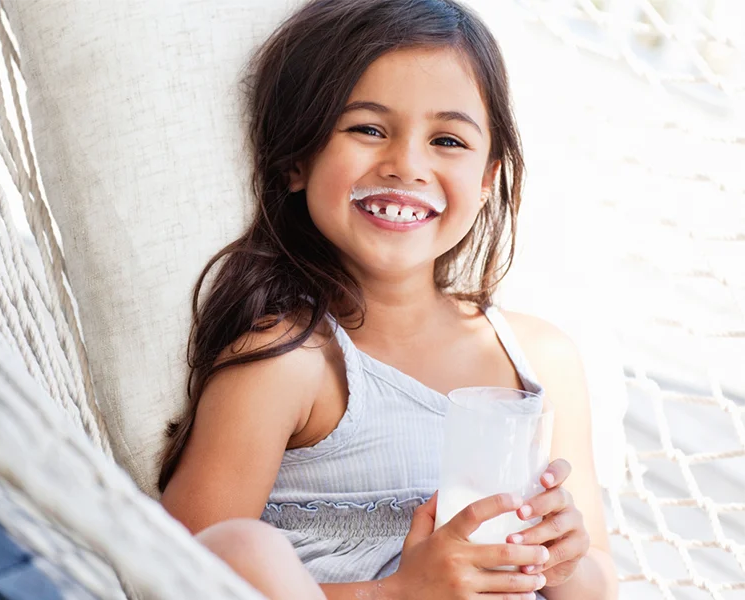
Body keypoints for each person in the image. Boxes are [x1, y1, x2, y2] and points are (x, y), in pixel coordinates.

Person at [159, 0, 619, 598]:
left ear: (487, 180)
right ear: (298, 159)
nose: (406, 165)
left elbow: (601, 579)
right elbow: (170, 566)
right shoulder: (289, 362)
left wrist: (564, 563)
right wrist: (401, 592)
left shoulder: (539, 359)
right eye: (368, 129)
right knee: (240, 548)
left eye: (448, 140)